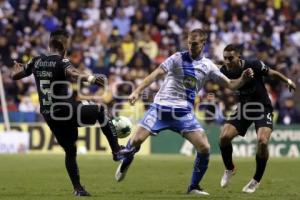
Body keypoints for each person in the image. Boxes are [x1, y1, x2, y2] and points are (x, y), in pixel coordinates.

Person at [114, 29, 254, 195]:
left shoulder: (208, 66)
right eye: (189, 43)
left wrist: (243, 79)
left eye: (194, 44)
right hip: (160, 109)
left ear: (203, 44)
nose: (191, 47)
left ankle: (193, 187)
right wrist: (137, 91)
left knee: (204, 148)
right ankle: (126, 161)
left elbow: (231, 85)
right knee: (136, 141)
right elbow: (156, 73)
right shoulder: (177, 58)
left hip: (183, 114)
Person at [10, 29, 125, 196]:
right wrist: (90, 78)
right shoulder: (61, 60)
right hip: (66, 110)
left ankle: (78, 189)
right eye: (68, 43)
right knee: (100, 110)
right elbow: (73, 73)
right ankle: (116, 151)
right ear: (63, 44)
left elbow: (15, 75)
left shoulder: (35, 61)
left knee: (70, 151)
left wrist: (16, 68)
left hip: (50, 115)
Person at [219, 44, 296, 193]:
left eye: (230, 58)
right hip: (243, 109)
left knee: (262, 141)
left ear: (238, 57)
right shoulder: (224, 71)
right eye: (225, 58)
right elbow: (228, 82)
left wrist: (287, 81)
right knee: (224, 137)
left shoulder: (253, 64)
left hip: (262, 108)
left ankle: (256, 180)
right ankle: (229, 169)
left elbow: (272, 73)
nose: (227, 61)